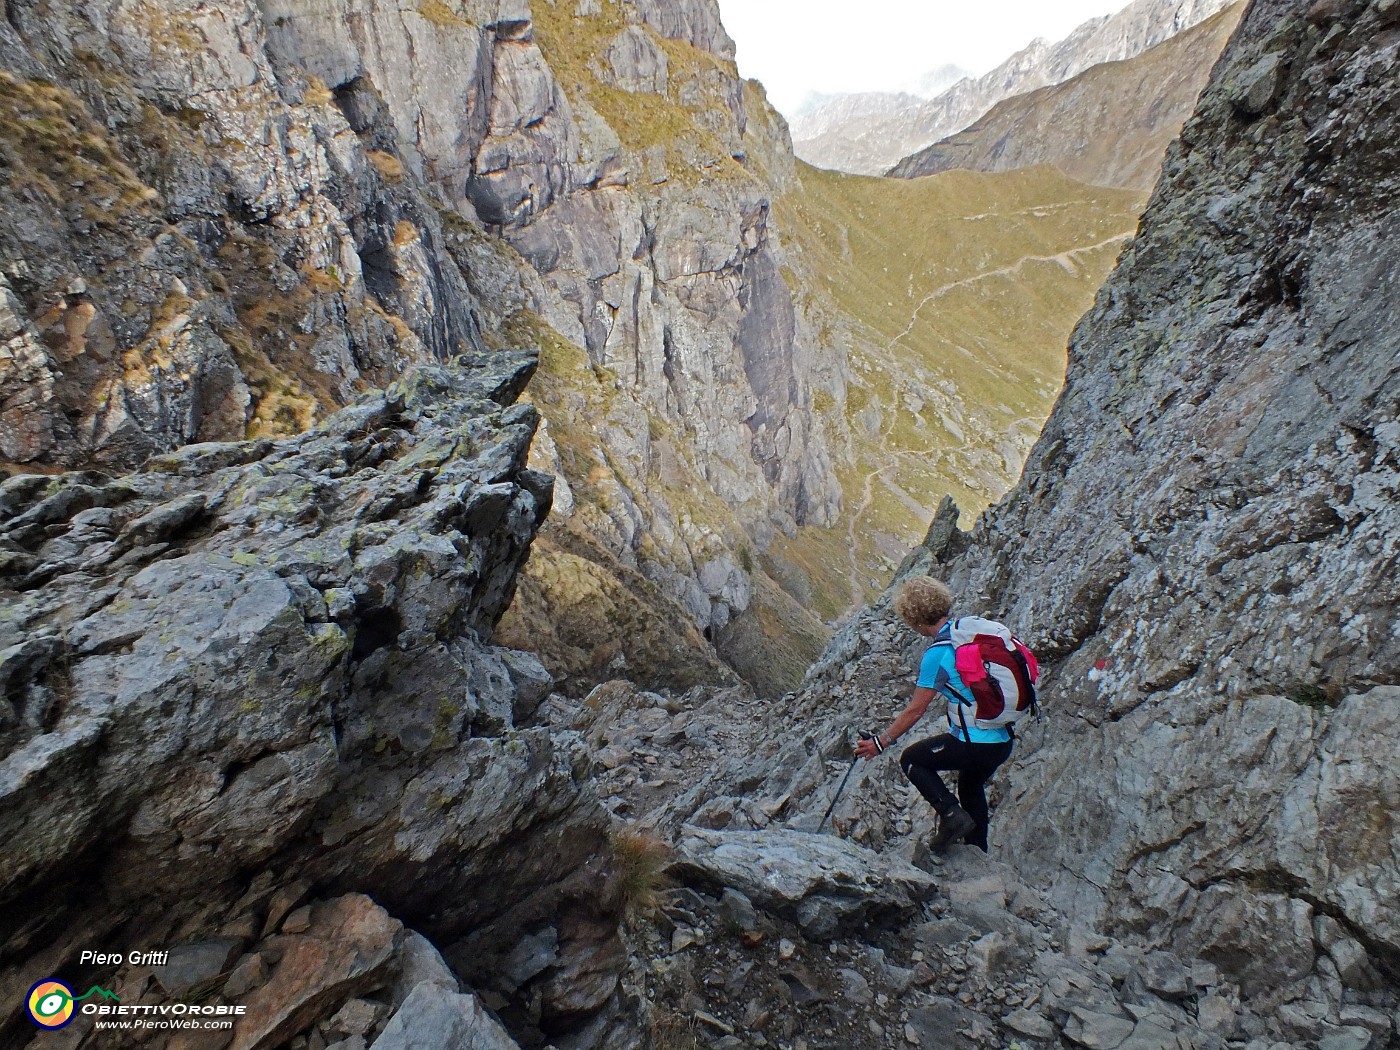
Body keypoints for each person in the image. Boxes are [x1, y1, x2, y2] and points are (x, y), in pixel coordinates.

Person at [853, 576, 1016, 854]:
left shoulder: (936, 655)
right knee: (970, 783)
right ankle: (977, 851)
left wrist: (880, 742)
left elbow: (916, 709)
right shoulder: (968, 633)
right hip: (1002, 740)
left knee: (914, 761)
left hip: (975, 743)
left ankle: (952, 817)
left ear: (915, 620)